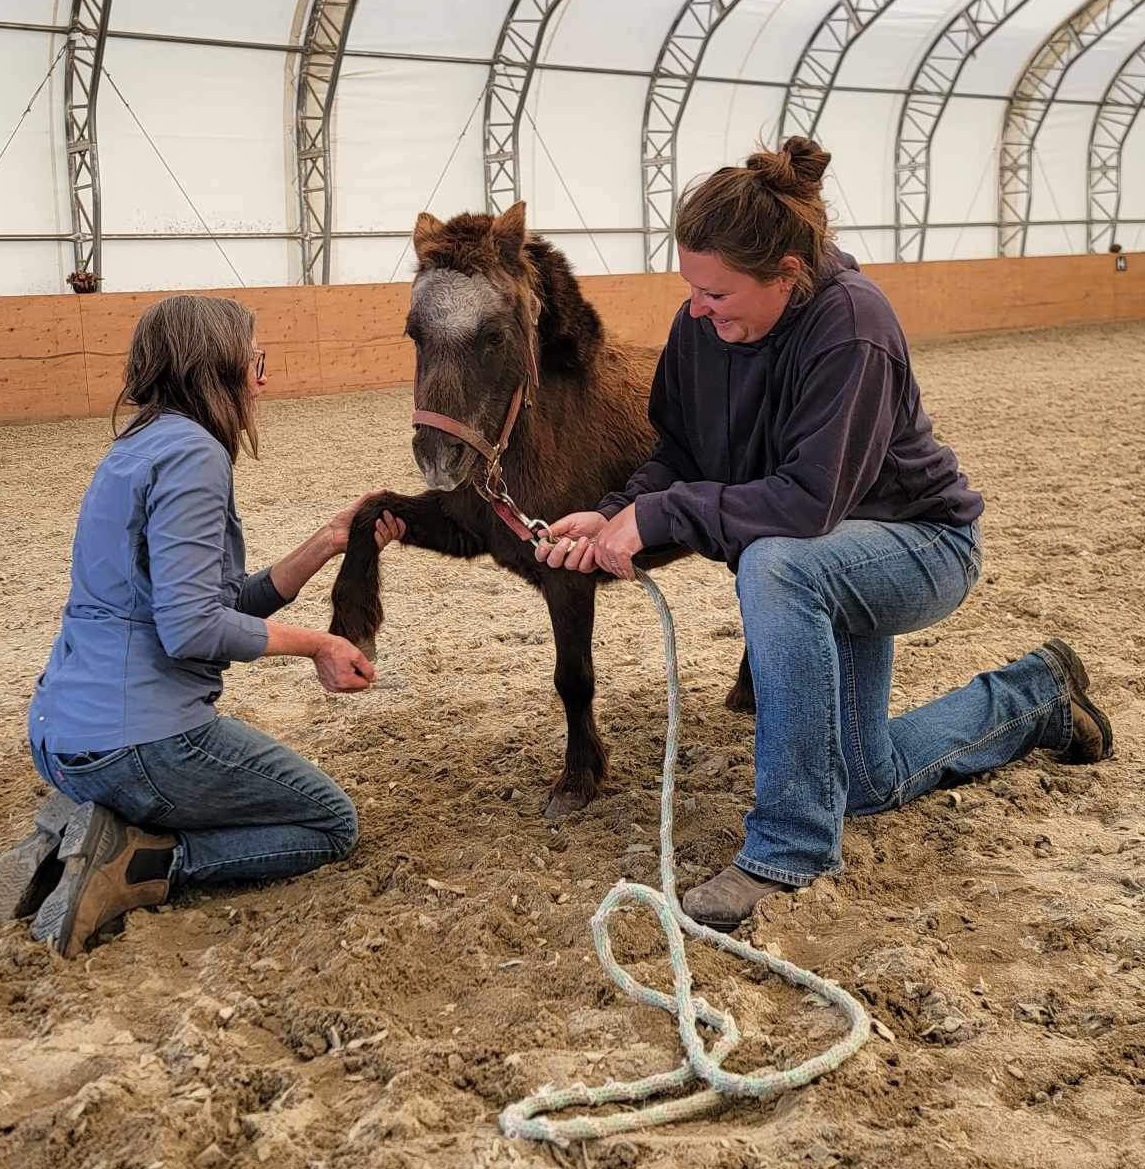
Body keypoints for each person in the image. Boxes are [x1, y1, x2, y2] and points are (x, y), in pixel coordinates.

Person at [535, 137, 1114, 931]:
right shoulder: (702, 328)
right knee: (864, 782)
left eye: (717, 294)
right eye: (691, 291)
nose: (699, 311)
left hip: (918, 544)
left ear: (786, 274)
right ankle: (1034, 696)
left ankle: (788, 845)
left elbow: (807, 504)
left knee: (774, 565)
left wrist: (662, 517)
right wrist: (616, 509)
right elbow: (675, 450)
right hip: (826, 558)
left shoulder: (853, 324)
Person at [0, 294, 405, 958]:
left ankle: (72, 835)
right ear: (214, 367)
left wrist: (330, 539)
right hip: (137, 743)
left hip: (63, 739)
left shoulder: (137, 447)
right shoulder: (194, 455)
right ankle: (139, 865)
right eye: (256, 361)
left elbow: (213, 605)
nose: (263, 379)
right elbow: (192, 628)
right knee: (329, 822)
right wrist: (318, 644)